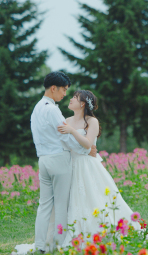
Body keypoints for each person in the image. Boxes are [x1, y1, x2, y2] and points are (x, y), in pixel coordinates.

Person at [24, 71, 97, 255]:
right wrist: (86, 150)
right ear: (53, 88)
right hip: (59, 159)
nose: (65, 94)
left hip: (43, 159)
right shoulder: (52, 110)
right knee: (62, 205)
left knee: (44, 205)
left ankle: (40, 245)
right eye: (64, 90)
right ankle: (59, 244)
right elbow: (65, 136)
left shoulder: (37, 108)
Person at [56, 89, 138, 239]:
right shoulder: (67, 120)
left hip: (87, 165)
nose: (71, 99)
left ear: (82, 104)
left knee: (94, 196)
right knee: (74, 199)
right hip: (70, 163)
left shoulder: (92, 121)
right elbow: (63, 143)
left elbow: (88, 143)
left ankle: (103, 229)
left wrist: (72, 131)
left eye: (75, 97)